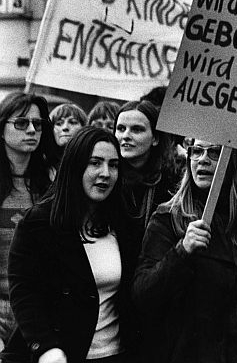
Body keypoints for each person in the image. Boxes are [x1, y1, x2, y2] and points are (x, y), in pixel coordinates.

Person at [132, 142, 237, 363]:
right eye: (196, 152)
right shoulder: (169, 218)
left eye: (214, 152)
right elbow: (144, 295)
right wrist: (182, 251)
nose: (203, 159)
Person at [1, 127, 140, 363]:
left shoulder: (125, 223)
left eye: (113, 165)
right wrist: (46, 348)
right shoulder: (38, 223)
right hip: (58, 355)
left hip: (115, 353)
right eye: (95, 163)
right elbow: (24, 291)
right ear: (75, 167)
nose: (105, 173)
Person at [0, 92, 54, 346]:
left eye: (38, 123)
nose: (32, 129)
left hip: (40, 316)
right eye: (21, 123)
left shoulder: (53, 184)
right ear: (2, 129)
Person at [114, 100, 180, 231]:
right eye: (121, 129)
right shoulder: (108, 177)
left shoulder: (172, 183)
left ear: (155, 138)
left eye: (137, 130)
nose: (126, 136)